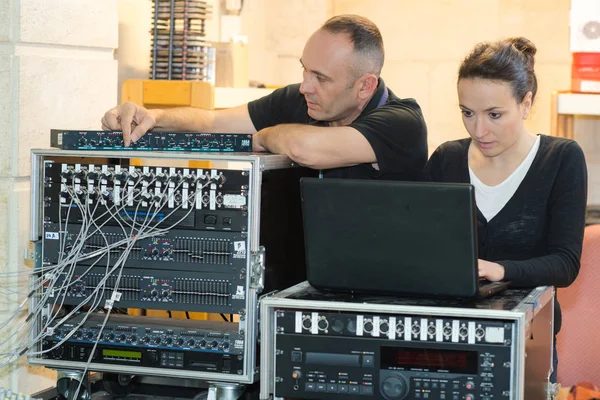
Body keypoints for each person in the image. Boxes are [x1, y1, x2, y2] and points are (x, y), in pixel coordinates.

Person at [425, 37, 587, 383]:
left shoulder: (561, 159)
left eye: (494, 115)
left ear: (526, 103)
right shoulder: (445, 160)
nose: (479, 129)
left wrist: (500, 269)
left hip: (528, 341)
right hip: (446, 340)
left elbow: (565, 264)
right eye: (467, 113)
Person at [101, 15, 428, 181]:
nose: (305, 87)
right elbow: (214, 121)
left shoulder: (402, 123)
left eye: (321, 78)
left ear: (365, 86)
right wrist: (155, 117)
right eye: (305, 71)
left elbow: (305, 149)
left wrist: (265, 136)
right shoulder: (300, 101)